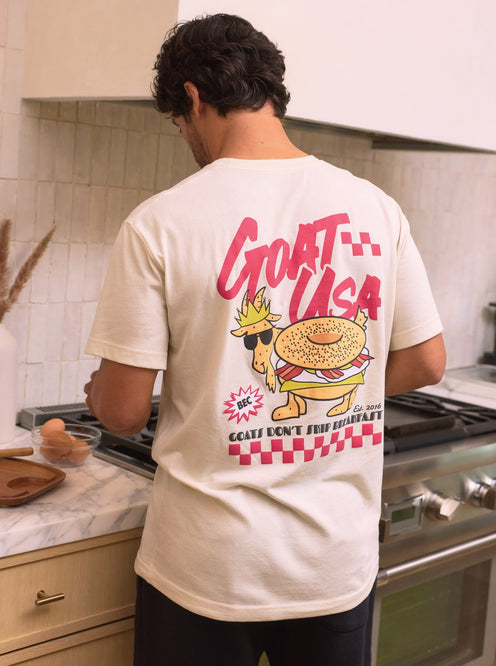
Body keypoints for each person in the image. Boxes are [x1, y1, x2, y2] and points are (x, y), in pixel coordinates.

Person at [84, 13, 446, 666]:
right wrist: (328, 384)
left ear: (192, 97)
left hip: (206, 568)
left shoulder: (159, 224)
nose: (185, 137)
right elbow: (425, 361)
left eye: (178, 122)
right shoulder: (375, 207)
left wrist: (100, 394)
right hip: (333, 565)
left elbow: (124, 412)